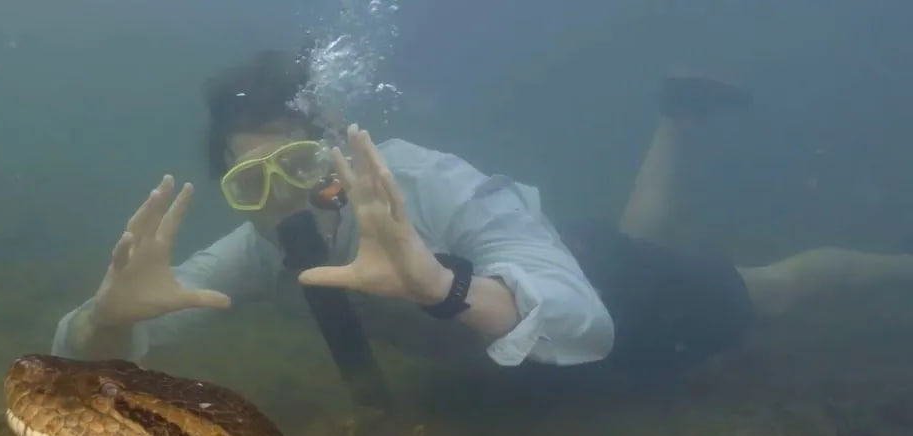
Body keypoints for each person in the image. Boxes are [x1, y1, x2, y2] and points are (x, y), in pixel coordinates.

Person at [51, 48, 913, 389]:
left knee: (774, 293)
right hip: (539, 332)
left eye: (302, 165)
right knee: (641, 226)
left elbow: (587, 321)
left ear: (340, 156)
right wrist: (108, 317)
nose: (279, 198)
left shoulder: (433, 187)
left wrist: (435, 281)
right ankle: (677, 117)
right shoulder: (266, 248)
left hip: (607, 283)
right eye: (250, 184)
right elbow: (83, 356)